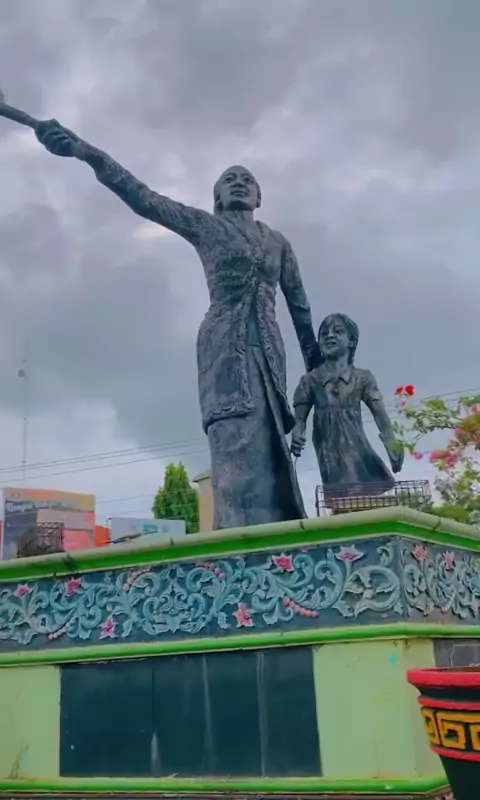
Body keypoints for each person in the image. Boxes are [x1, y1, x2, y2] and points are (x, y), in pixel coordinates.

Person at [34, 120, 320, 529]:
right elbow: (144, 198)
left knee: (272, 461)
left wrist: (317, 370)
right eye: (229, 179)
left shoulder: (277, 242)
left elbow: (300, 306)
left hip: (270, 360)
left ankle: (278, 548)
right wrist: (85, 152)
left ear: (259, 196)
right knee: (234, 456)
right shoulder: (206, 226)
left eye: (247, 179)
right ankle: (236, 547)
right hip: (225, 356)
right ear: (217, 196)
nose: (239, 183)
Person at [291, 313, 403, 504]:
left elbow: (379, 413)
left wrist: (391, 442)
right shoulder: (311, 380)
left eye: (337, 331)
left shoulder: (363, 378)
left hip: (357, 445)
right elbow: (299, 419)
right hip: (328, 447)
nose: (329, 336)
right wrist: (297, 434)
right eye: (324, 333)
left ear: (352, 341)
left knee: (361, 491)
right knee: (343, 496)